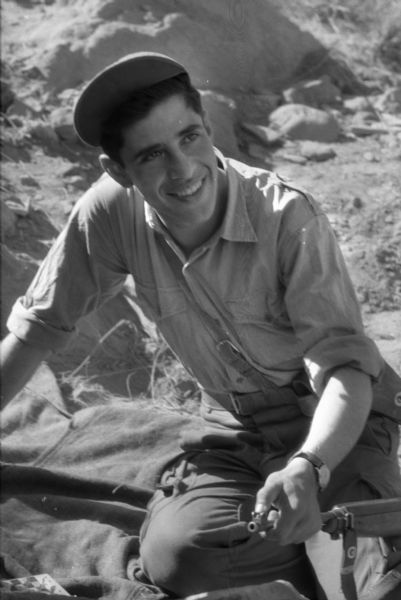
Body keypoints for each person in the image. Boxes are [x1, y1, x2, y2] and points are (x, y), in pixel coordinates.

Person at [1, 51, 401, 600]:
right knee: (178, 558)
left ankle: (347, 528)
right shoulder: (109, 213)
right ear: (119, 170)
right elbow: (38, 328)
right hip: (237, 431)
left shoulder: (287, 217)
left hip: (338, 425)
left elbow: (345, 372)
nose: (184, 170)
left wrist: (310, 466)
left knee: (371, 571)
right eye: (153, 155)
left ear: (208, 127)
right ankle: (326, 539)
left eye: (190, 138)